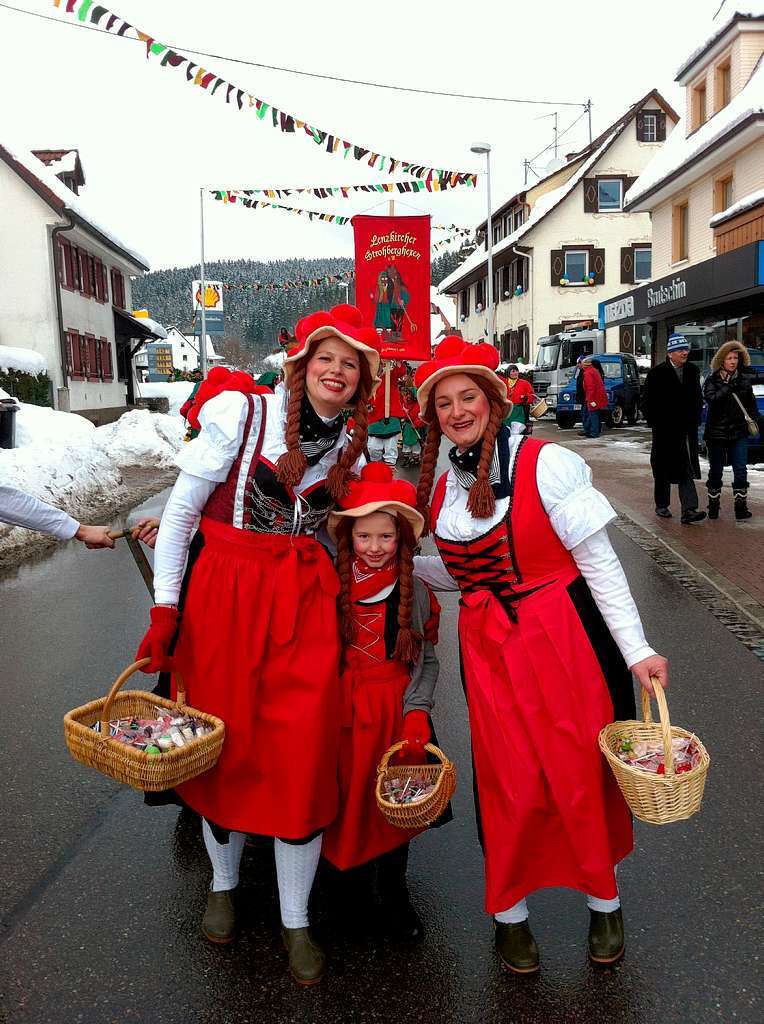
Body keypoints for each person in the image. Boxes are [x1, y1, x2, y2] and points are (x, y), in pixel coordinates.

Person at [135, 304, 379, 986]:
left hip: (304, 606)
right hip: (227, 596)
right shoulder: (243, 414)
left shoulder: (356, 443)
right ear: (303, 365)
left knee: (300, 755)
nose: (337, 371)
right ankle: (223, 885)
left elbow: (362, 532)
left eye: (351, 364)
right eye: (327, 357)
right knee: (225, 746)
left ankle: (296, 919)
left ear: (362, 381)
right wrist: (165, 609)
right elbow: (183, 512)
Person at [411, 336, 668, 973]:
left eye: (467, 396)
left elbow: (599, 562)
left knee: (577, 770)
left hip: (561, 637)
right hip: (489, 648)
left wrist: (637, 650)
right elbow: (463, 572)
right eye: (443, 403)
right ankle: (510, 916)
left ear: (493, 399)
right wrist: (388, 560)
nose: (456, 411)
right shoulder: (448, 485)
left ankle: (604, 901)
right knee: (507, 778)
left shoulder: (544, 463)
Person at [321, 463, 443, 940]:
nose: (375, 547)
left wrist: (418, 714)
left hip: (395, 711)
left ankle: (394, 893)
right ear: (349, 536)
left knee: (396, 803)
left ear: (403, 540)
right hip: (343, 710)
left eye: (386, 537)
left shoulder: (415, 594)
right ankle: (338, 892)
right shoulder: (331, 585)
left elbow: (426, 662)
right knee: (341, 801)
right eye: (365, 536)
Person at [643, 334, 706, 524]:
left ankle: (689, 510)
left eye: (686, 349)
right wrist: (656, 422)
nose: (685, 352)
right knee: (661, 468)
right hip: (664, 431)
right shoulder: (657, 373)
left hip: (686, 430)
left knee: (686, 467)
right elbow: (646, 403)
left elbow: (697, 398)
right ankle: (662, 504)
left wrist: (694, 419)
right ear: (670, 353)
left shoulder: (693, 371)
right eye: (680, 350)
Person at [703, 340, 759, 521]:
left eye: (735, 358)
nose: (733, 361)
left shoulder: (744, 381)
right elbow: (712, 399)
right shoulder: (712, 380)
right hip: (717, 434)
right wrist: (727, 387)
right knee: (716, 470)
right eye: (729, 358)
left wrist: (759, 422)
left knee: (741, 469)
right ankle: (713, 507)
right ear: (722, 361)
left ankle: (741, 508)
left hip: (738, 432)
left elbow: (751, 407)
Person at [367, 362, 406, 467]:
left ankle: (389, 476)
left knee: (390, 450)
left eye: (379, 364)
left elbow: (401, 371)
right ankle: (377, 471)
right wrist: (367, 406)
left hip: (390, 418)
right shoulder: (367, 379)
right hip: (374, 419)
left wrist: (397, 358)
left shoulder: (389, 375)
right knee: (373, 449)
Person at [503, 365, 533, 436]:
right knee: (506, 430)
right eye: (513, 371)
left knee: (516, 430)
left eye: (516, 371)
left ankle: (517, 444)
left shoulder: (524, 383)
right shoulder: (503, 383)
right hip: (507, 410)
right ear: (508, 373)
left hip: (519, 410)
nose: (515, 373)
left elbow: (531, 395)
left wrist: (526, 398)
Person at [582, 358, 608, 438]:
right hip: (598, 396)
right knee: (593, 414)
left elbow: (590, 387)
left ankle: (594, 432)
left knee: (593, 415)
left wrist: (591, 399)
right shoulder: (594, 370)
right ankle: (591, 430)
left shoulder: (588, 373)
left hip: (593, 397)